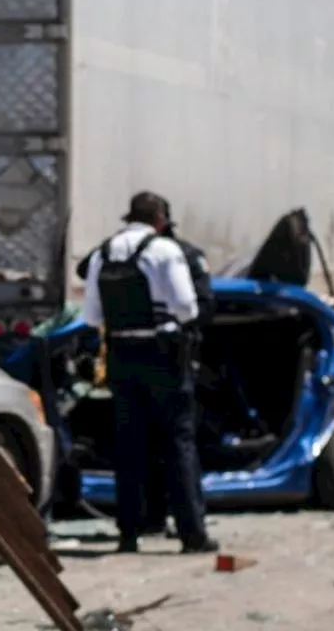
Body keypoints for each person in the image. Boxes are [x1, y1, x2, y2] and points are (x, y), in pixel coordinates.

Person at [81, 191, 218, 554]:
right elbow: (188, 308)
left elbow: (91, 318)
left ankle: (128, 534)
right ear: (160, 218)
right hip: (163, 357)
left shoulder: (101, 254)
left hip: (122, 357)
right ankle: (193, 534)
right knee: (179, 442)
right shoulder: (163, 250)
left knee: (128, 446)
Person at [141, 207, 214, 538]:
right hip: (174, 361)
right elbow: (199, 311)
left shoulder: (120, 254)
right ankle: (191, 529)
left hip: (149, 361)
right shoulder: (182, 255)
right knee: (178, 444)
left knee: (151, 444)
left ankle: (149, 521)